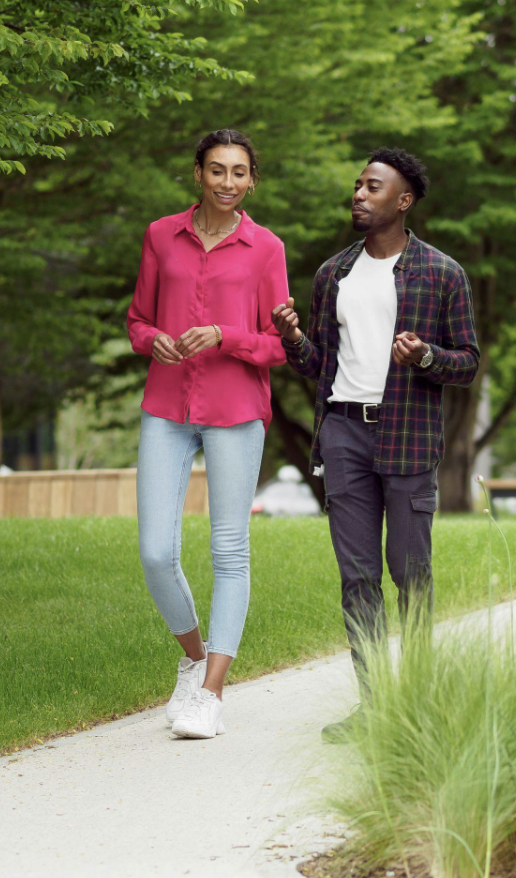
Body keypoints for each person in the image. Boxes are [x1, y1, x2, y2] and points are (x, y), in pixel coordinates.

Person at [271, 148, 479, 743]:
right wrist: (291, 339)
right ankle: (375, 708)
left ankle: (416, 707)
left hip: (409, 435)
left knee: (411, 574)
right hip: (343, 433)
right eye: (358, 185)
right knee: (357, 576)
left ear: (403, 200)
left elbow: (467, 362)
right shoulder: (332, 274)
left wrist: (427, 356)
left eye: (374, 187)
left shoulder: (443, 273)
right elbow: (317, 363)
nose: (359, 194)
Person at [127, 128, 289, 739]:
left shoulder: (266, 247)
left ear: (252, 180)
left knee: (229, 550)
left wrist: (226, 335)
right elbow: (137, 319)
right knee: (155, 551)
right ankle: (194, 658)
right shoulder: (159, 235)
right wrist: (153, 340)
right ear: (197, 173)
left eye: (239, 172)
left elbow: (278, 344)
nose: (228, 182)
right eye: (216, 170)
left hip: (236, 408)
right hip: (167, 405)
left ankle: (212, 693)